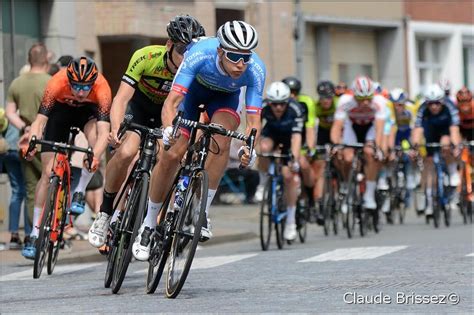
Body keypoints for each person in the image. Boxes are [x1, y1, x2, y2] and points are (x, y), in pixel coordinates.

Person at [129, 20, 265, 260]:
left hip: (225, 100)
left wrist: (251, 148)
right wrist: (170, 128)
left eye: (246, 56)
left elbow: (254, 120)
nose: (241, 63)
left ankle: (202, 211)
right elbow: (171, 103)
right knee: (172, 154)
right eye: (234, 56)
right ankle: (149, 224)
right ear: (221, 51)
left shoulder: (255, 70)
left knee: (222, 139)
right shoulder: (199, 54)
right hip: (191, 95)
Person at [88, 15, 205, 248]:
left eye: (191, 50)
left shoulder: (196, 67)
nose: (186, 56)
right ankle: (105, 213)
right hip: (140, 110)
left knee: (168, 158)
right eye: (182, 49)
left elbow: (200, 110)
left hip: (169, 117)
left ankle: (154, 219)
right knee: (126, 153)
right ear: (169, 45)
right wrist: (115, 128)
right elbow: (121, 98)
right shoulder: (146, 56)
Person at [22, 56, 112, 259]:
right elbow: (40, 120)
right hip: (60, 114)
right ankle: (35, 233)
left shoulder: (102, 87)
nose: (80, 92)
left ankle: (79, 191)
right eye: (76, 87)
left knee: (94, 144)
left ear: (93, 83)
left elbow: (104, 130)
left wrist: (95, 155)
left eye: (85, 87)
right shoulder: (56, 82)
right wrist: (32, 142)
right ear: (68, 81)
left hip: (88, 114)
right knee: (47, 173)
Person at [5, 43, 51, 250]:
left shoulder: (16, 83)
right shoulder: (52, 82)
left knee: (32, 190)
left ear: (29, 60)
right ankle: (51, 234)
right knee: (52, 185)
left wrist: (25, 126)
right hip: (49, 140)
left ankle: (33, 236)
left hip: (26, 142)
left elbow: (9, 112)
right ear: (46, 61)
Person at [330, 76, 386, 211]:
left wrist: (377, 147)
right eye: (361, 99)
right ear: (354, 95)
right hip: (352, 126)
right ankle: (346, 184)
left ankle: (369, 194)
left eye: (369, 98)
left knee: (370, 153)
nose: (366, 102)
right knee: (347, 157)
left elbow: (379, 129)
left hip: (370, 127)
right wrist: (337, 144)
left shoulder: (379, 101)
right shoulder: (345, 101)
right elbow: (337, 127)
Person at [258, 81, 303, 240]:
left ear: (287, 101)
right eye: (274, 104)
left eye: (282, 104)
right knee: (262, 150)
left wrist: (294, 159)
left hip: (289, 138)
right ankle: (263, 182)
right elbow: (255, 129)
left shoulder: (295, 109)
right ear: (269, 102)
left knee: (288, 176)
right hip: (271, 134)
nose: (278, 108)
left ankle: (291, 221)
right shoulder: (263, 107)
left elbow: (297, 136)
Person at [411, 84, 461, 216]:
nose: (434, 106)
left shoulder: (450, 107)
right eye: (431, 103)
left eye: (437, 103)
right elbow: (417, 130)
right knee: (429, 164)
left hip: (445, 130)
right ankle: (429, 200)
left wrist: (456, 147)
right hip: (431, 132)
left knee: (446, 144)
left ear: (442, 101)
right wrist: (414, 147)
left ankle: (452, 171)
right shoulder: (423, 109)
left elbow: (454, 130)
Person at [280, 76, 317, 218]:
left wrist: (310, 147)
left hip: (299, 139)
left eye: (295, 92)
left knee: (303, 163)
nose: (292, 95)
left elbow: (310, 128)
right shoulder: (279, 103)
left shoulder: (306, 103)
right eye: (289, 92)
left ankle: (311, 197)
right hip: (283, 139)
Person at [310, 81, 338, 224]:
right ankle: (319, 205)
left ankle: (341, 192)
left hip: (337, 133)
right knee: (319, 169)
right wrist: (312, 146)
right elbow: (312, 128)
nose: (325, 100)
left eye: (328, 97)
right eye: (322, 97)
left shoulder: (338, 104)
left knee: (340, 162)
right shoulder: (315, 107)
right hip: (321, 135)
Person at [0, 109, 26, 249]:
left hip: (7, 151)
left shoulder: (7, 113)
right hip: (21, 149)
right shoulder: (25, 110)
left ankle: (14, 235)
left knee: (17, 191)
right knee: (30, 191)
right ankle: (29, 234)